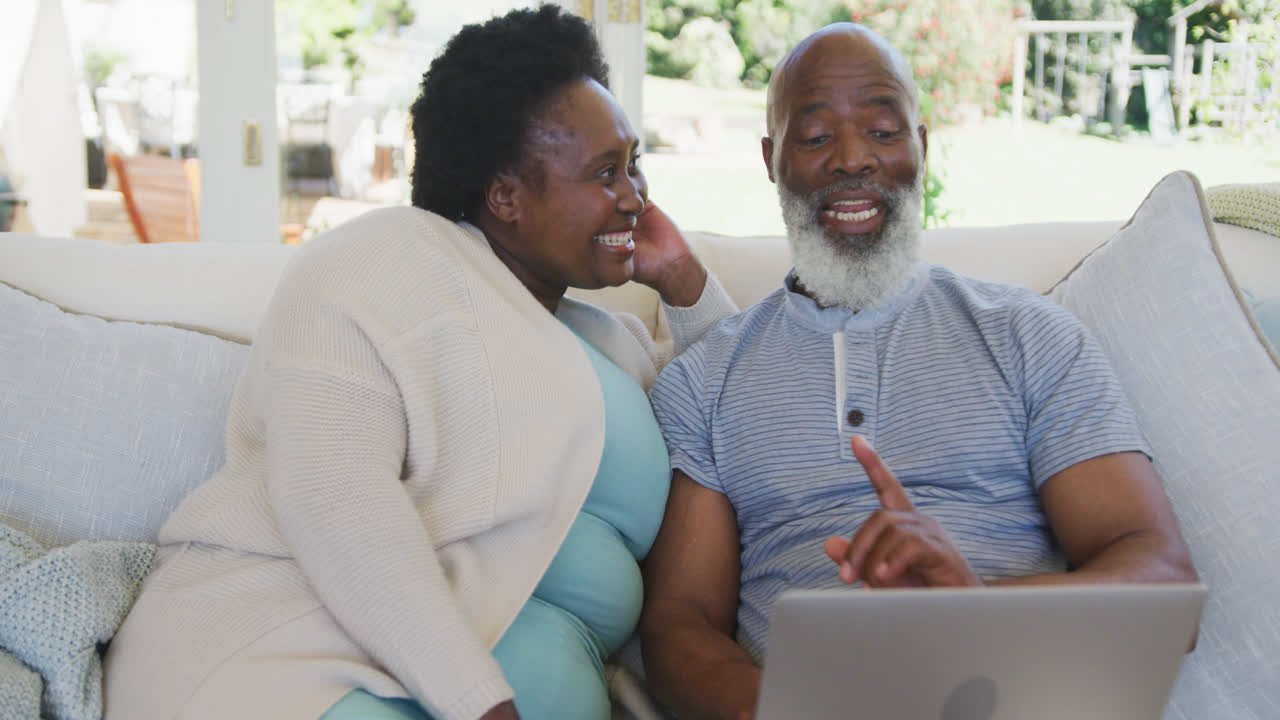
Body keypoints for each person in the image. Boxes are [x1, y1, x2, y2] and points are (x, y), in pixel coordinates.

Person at [102, 6, 736, 720]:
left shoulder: (610, 340)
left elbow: (743, 412)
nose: (635, 196)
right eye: (604, 173)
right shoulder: (385, 259)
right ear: (505, 197)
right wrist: (483, 705)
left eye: (635, 164)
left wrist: (683, 279)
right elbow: (333, 495)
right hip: (296, 662)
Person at [639, 22, 1198, 720]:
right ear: (771, 159)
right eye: (814, 137)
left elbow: (1163, 581)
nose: (853, 160)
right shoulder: (705, 381)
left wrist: (969, 614)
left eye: (882, 130)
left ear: (922, 149)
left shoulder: (1029, 334)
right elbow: (677, 626)